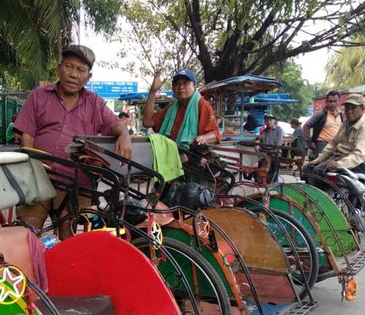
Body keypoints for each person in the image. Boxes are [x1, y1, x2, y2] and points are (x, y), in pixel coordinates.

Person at [13, 44, 132, 238]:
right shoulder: (38, 96)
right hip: (38, 176)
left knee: (71, 239)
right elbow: (27, 135)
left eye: (81, 70)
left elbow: (115, 125)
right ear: (59, 67)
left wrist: (125, 135)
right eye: (69, 66)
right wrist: (34, 167)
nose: (73, 74)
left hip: (78, 181)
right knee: (27, 234)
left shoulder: (95, 103)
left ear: (88, 77)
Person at [302, 94, 365, 188]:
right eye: (347, 108)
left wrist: (339, 164)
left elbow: (358, 155)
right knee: (307, 169)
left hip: (358, 163)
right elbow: (333, 144)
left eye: (353, 108)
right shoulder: (346, 123)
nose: (349, 111)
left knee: (318, 171)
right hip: (340, 157)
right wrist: (317, 160)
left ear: (362, 108)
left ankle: (319, 200)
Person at [142, 69, 221, 146]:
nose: (181, 87)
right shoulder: (171, 109)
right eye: (177, 84)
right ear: (173, 88)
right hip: (171, 156)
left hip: (192, 156)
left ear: (194, 85)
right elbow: (147, 122)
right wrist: (152, 92)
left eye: (185, 83)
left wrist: (204, 138)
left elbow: (215, 134)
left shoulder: (202, 105)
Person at [303, 90, 344, 160]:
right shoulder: (321, 114)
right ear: (326, 101)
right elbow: (306, 126)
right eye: (330, 101)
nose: (332, 104)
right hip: (322, 144)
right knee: (318, 166)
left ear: (339, 101)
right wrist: (310, 142)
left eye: (335, 101)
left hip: (336, 145)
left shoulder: (341, 115)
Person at [256, 113, 284, 182]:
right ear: (264, 122)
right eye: (266, 120)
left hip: (275, 153)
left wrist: (273, 150)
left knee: (274, 168)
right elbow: (259, 142)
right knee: (260, 165)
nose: (268, 122)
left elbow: (279, 142)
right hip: (265, 153)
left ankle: (274, 181)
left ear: (274, 121)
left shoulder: (279, 129)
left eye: (270, 120)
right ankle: (261, 180)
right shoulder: (263, 132)